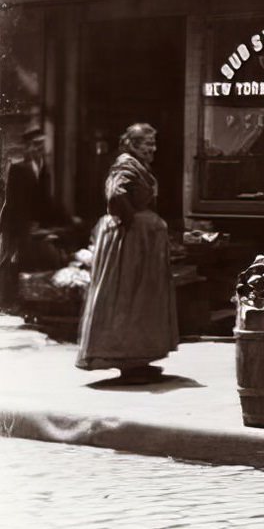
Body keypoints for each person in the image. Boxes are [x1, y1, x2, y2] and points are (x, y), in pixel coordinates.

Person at [76, 123, 178, 384]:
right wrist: (133, 221)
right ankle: (127, 361)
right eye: (148, 144)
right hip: (129, 244)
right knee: (128, 297)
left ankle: (138, 359)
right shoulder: (124, 164)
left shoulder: (135, 165)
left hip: (138, 240)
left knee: (141, 298)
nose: (153, 149)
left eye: (154, 144)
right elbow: (115, 194)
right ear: (132, 144)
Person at [0, 121, 57, 309]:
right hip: (17, 222)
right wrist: (11, 228)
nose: (39, 148)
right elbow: (12, 201)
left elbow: (44, 200)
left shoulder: (43, 168)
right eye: (35, 144)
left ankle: (26, 300)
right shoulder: (18, 169)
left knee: (29, 261)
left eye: (41, 144)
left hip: (33, 223)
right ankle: (8, 300)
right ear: (28, 146)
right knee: (12, 260)